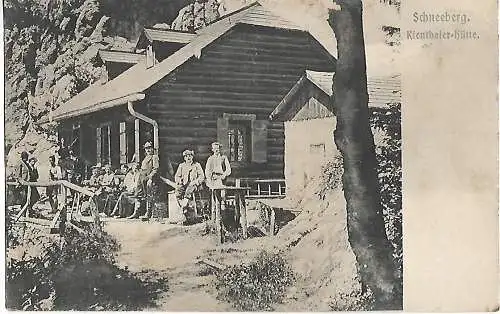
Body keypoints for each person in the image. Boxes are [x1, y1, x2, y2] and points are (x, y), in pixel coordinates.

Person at [139, 141, 161, 219]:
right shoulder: (145, 158)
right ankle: (146, 212)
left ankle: (149, 213)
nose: (148, 150)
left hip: (151, 179)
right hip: (143, 178)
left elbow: (155, 169)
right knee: (145, 195)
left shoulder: (154, 157)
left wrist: (150, 178)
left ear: (152, 149)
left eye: (149, 148)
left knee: (150, 195)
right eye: (146, 148)